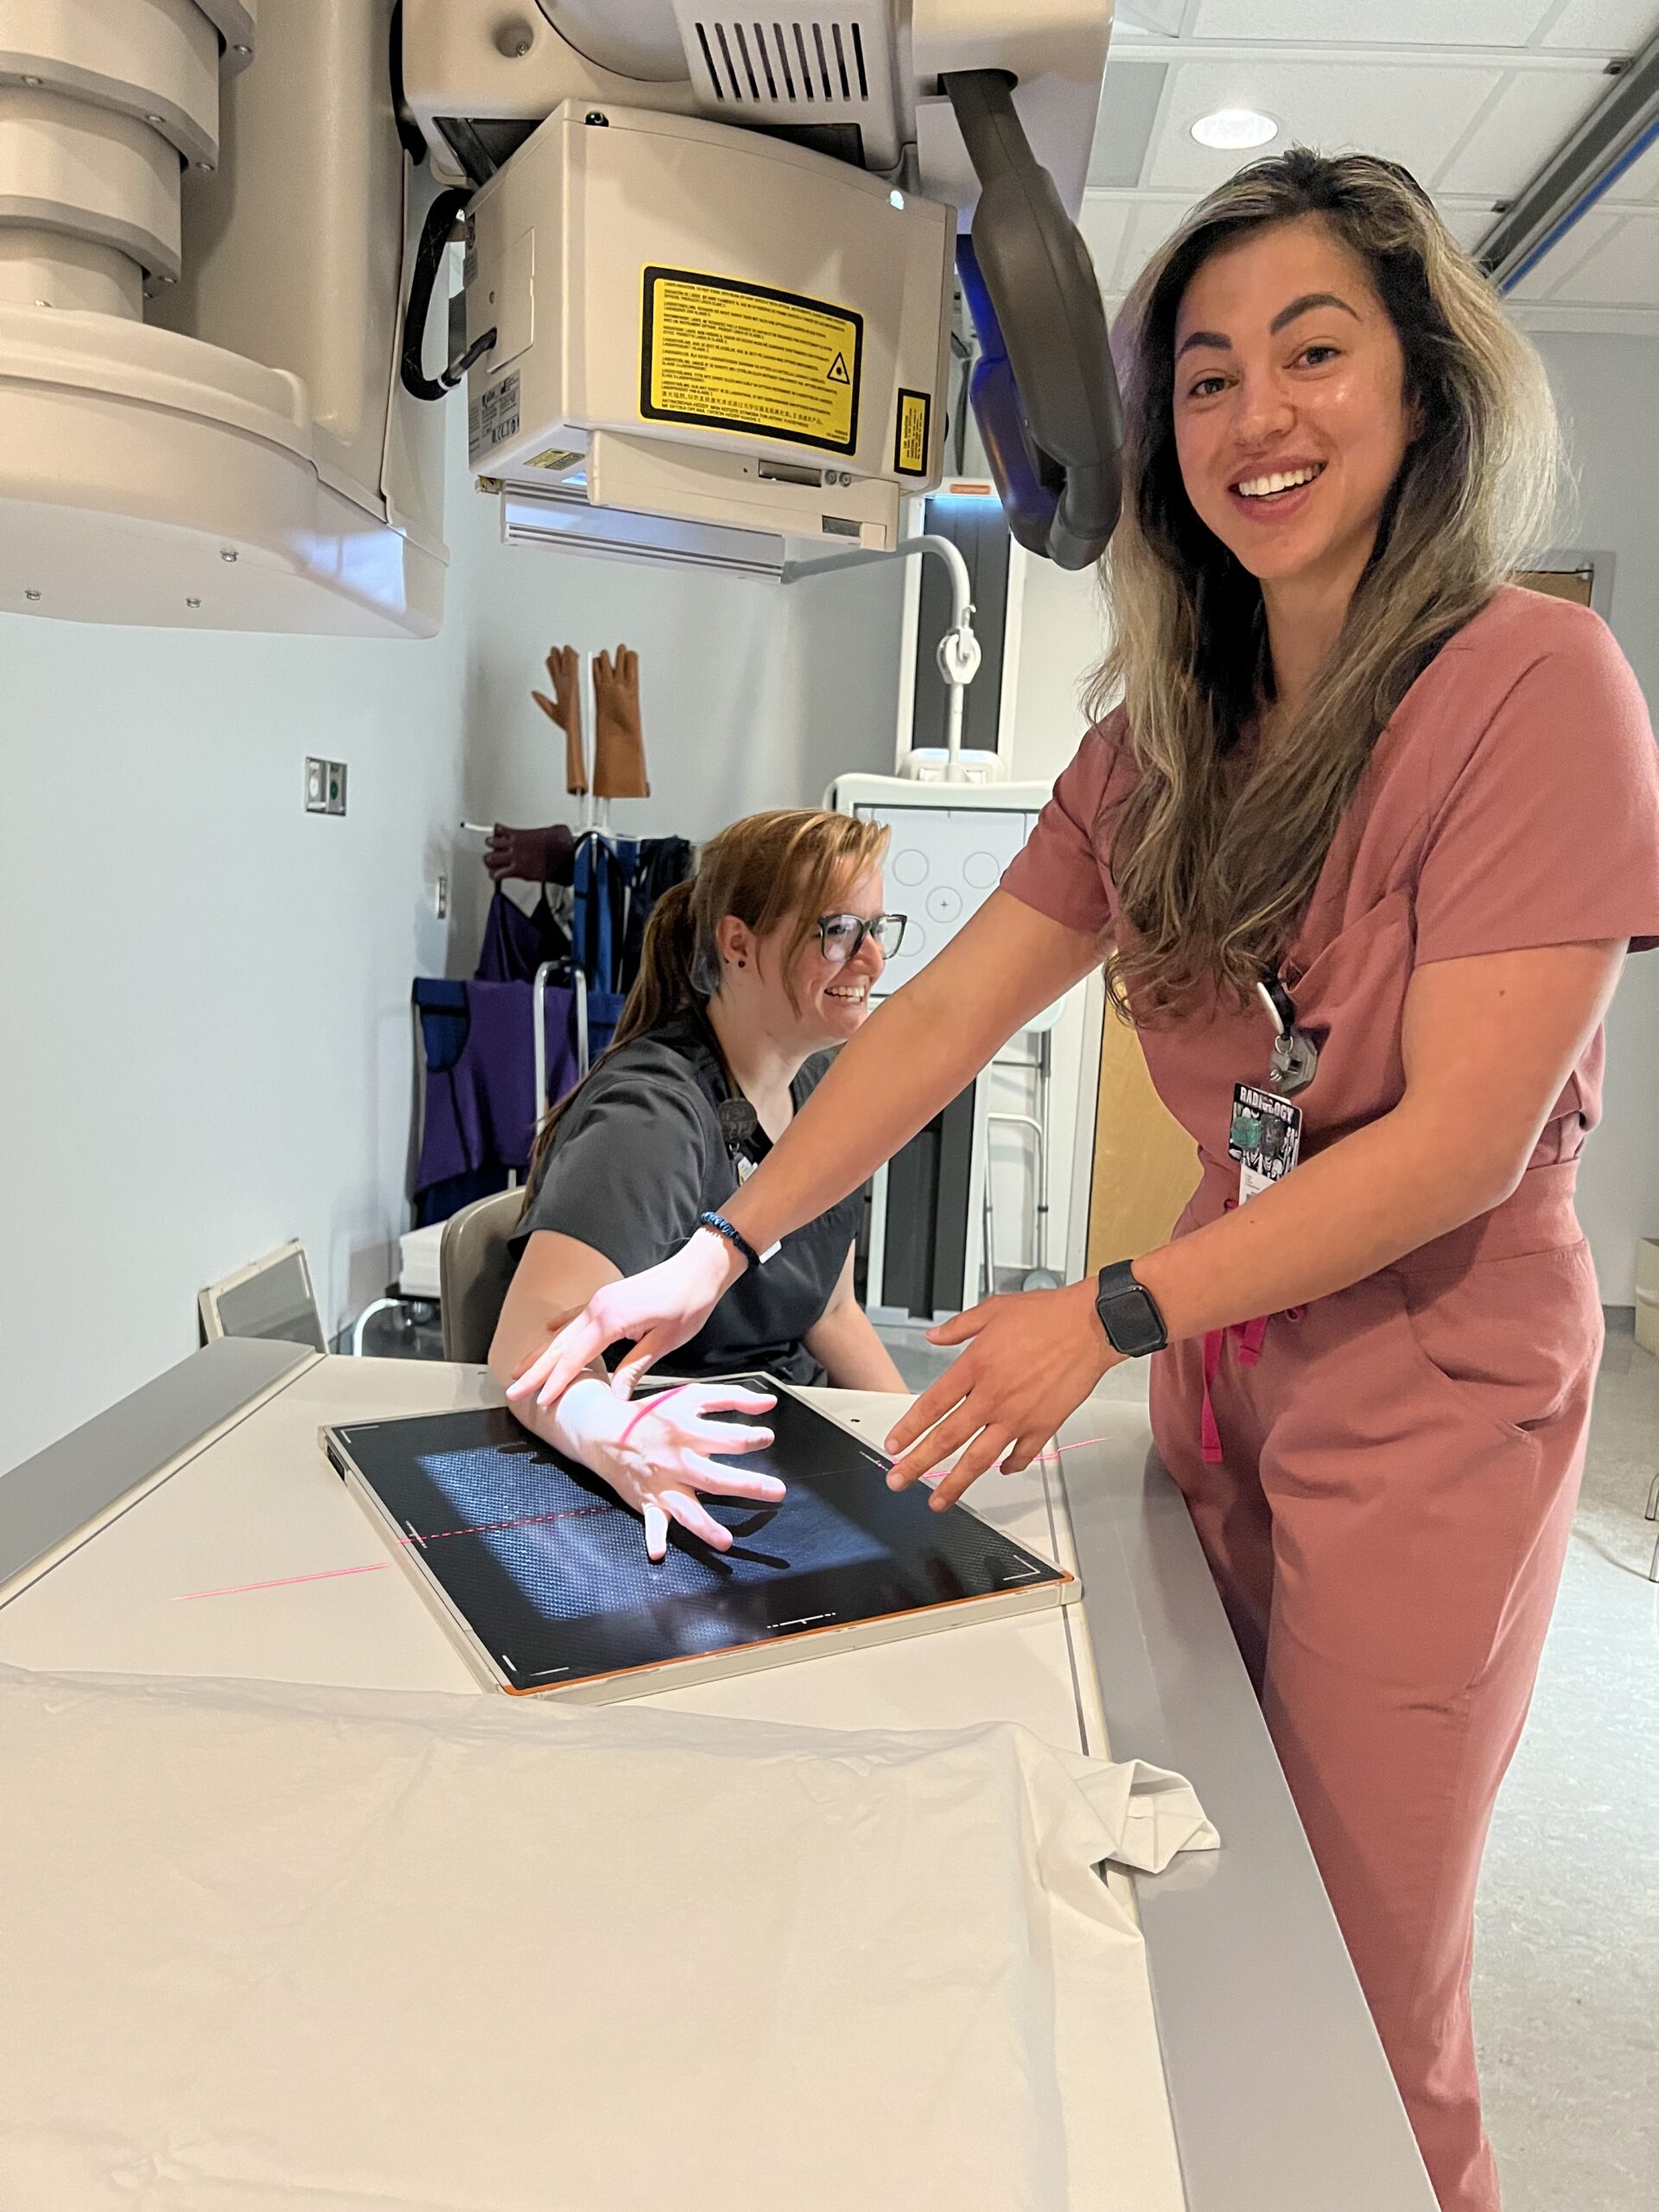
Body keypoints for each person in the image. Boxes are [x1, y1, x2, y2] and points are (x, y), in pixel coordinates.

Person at [513, 152, 1659, 2210]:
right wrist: (720, 1241)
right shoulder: (1160, 743)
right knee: (1196, 1871)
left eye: (1313, 352)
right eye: (1204, 377)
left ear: (1422, 381)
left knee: (1355, 1966)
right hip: (1231, 1351)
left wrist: (1106, 1310)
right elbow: (945, 1010)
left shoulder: (1535, 692)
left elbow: (1459, 1141)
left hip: (1434, 1376)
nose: (1257, 418)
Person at [491, 808, 907, 1560]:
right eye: (838, 930)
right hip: (669, 1477)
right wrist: (620, 1440)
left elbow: (833, 1311)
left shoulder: (821, 1093)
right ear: (738, 944)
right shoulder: (651, 1116)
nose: (872, 959)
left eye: (878, 928)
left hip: (782, 1449)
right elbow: (528, 1349)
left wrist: (921, 1451)